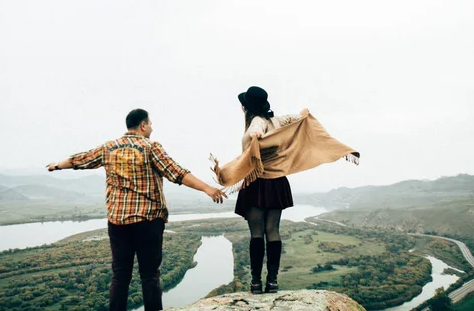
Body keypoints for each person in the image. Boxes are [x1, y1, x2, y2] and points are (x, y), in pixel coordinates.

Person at [45, 108, 227, 311]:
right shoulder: (151, 148)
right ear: (143, 125)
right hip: (147, 221)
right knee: (149, 276)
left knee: (120, 276)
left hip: (118, 222)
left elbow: (80, 159)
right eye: (150, 124)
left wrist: (56, 165)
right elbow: (177, 173)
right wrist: (207, 188)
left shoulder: (109, 148)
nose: (152, 127)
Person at [234, 86, 309, 295]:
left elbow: (255, 129)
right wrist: (303, 113)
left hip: (257, 181)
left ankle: (256, 282)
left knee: (256, 233)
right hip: (276, 181)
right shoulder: (277, 121)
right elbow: (295, 118)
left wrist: (256, 133)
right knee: (273, 230)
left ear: (246, 107)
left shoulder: (256, 121)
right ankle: (273, 282)